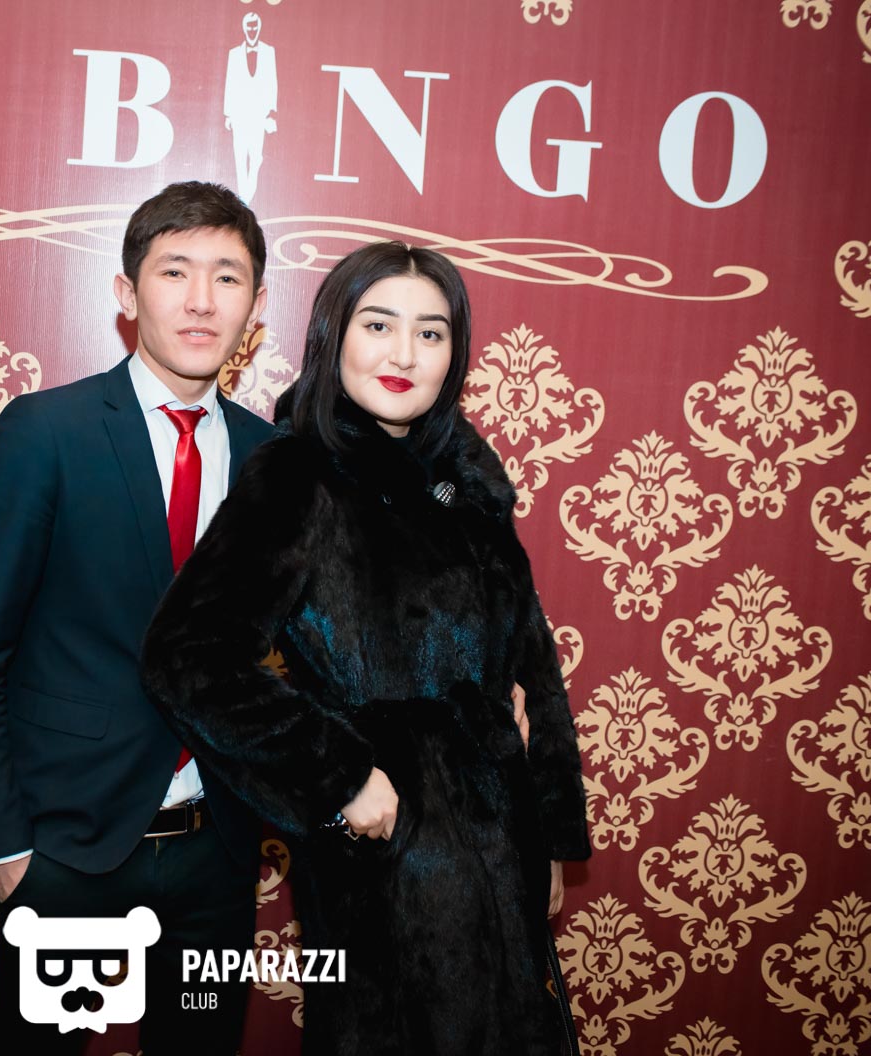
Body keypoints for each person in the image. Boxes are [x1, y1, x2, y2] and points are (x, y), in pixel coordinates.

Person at [141, 242, 591, 1055]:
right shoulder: (299, 475)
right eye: (378, 325)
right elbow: (190, 654)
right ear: (333, 335)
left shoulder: (470, 481)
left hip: (501, 837)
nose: (403, 354)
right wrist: (340, 777)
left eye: (431, 333)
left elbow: (533, 665)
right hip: (387, 856)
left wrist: (548, 833)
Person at [0, 181, 275, 1054]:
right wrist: (8, 854)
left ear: (255, 306)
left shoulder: (273, 461)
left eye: (227, 277)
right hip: (66, 852)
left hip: (216, 854)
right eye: (175, 271)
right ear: (128, 293)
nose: (201, 299)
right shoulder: (47, 432)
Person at [223, 11, 278, 203]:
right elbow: (230, 83)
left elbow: (272, 82)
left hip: (258, 114)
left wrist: (271, 112)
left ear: (259, 28)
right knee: (240, 157)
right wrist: (228, 114)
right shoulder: (234, 53)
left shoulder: (269, 51)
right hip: (239, 114)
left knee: (255, 157)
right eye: (249, 27)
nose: (252, 30)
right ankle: (244, 199)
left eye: (255, 27)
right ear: (244, 28)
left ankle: (246, 199)